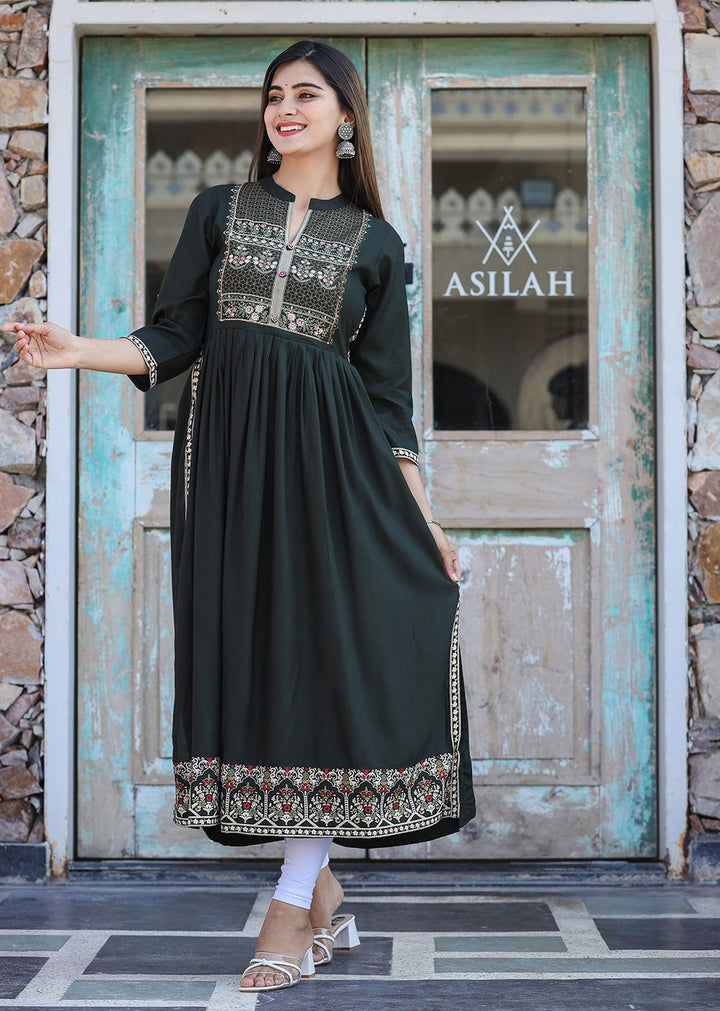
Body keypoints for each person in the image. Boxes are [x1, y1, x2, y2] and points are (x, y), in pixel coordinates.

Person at [3, 40, 475, 993]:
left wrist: (424, 518)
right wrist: (75, 350)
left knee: (327, 663)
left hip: (341, 477)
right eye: (274, 95)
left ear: (345, 116)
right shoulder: (219, 211)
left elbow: (388, 400)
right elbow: (176, 335)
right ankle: (324, 887)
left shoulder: (377, 244)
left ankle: (292, 907)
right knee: (261, 661)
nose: (285, 109)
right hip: (229, 471)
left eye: (307, 94)